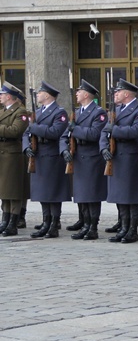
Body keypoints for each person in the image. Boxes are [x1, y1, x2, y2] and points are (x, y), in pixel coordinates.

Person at [100, 78, 138, 244]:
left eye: (118, 92)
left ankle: (132, 230)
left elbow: (136, 131)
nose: (115, 94)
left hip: (130, 157)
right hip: (115, 156)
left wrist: (115, 130)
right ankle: (123, 227)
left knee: (131, 195)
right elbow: (104, 132)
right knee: (119, 194)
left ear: (127, 94)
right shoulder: (116, 110)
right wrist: (104, 148)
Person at [59, 79, 108, 240]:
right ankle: (85, 224)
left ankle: (92, 226)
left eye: (79, 91)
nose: (77, 94)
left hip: (92, 157)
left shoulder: (98, 113)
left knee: (91, 194)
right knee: (81, 194)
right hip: (78, 157)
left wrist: (76, 129)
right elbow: (64, 135)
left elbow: (94, 134)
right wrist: (64, 149)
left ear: (86, 94)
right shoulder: (77, 112)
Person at [22, 81, 71, 239]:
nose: (38, 95)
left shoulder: (59, 112)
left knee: (53, 192)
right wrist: (26, 147)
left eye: (40, 93)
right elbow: (25, 133)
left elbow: (55, 132)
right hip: (38, 154)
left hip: (52, 155)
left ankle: (54, 224)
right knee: (43, 192)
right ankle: (45, 222)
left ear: (48, 95)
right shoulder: (38, 111)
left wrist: (34, 127)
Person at [0, 82, 30, 237]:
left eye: (2, 94)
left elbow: (16, 131)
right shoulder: (3, 111)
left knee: (14, 190)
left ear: (9, 96)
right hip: (2, 153)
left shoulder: (20, 112)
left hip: (13, 154)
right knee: (4, 191)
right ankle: (4, 220)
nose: (0, 97)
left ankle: (13, 221)